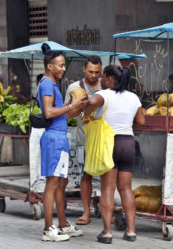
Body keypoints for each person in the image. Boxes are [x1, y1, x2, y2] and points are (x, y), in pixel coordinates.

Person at [84, 65, 145, 244]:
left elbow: (91, 102)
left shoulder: (105, 94)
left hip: (109, 143)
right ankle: (131, 231)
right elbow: (141, 121)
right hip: (128, 143)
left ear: (110, 78)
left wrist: (88, 115)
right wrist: (127, 127)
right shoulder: (134, 97)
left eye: (103, 77)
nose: (101, 80)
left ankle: (107, 232)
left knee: (107, 189)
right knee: (126, 188)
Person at [38, 43, 85, 241]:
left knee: (60, 183)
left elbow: (60, 115)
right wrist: (70, 106)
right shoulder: (47, 84)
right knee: (52, 183)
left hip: (59, 136)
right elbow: (48, 112)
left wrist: (77, 107)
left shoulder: (52, 84)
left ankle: (63, 224)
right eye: (61, 65)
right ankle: (49, 229)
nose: (64, 69)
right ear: (50, 66)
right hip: (54, 138)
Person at [64, 55, 102, 225]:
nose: (94, 75)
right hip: (84, 139)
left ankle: (108, 209)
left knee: (109, 176)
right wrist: (79, 105)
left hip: (104, 139)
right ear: (84, 69)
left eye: (97, 72)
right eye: (91, 71)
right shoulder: (74, 87)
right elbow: (67, 114)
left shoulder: (106, 86)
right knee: (85, 175)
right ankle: (86, 212)